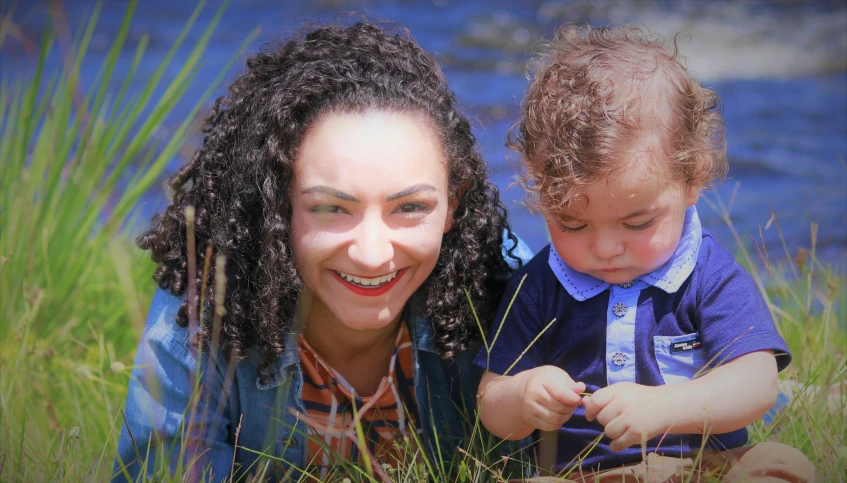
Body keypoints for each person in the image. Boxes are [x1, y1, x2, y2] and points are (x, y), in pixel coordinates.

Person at [113, 21, 534, 482]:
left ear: (454, 202)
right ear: (278, 204)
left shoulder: (506, 286)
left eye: (410, 206)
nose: (373, 255)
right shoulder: (206, 312)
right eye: (331, 208)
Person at [475, 25, 816, 482]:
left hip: (707, 468)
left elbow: (757, 384)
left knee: (781, 465)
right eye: (572, 224)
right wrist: (521, 397)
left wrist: (663, 407)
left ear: (692, 179)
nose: (606, 248)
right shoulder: (541, 285)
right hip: (584, 473)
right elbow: (490, 400)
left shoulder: (707, 275)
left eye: (638, 223)